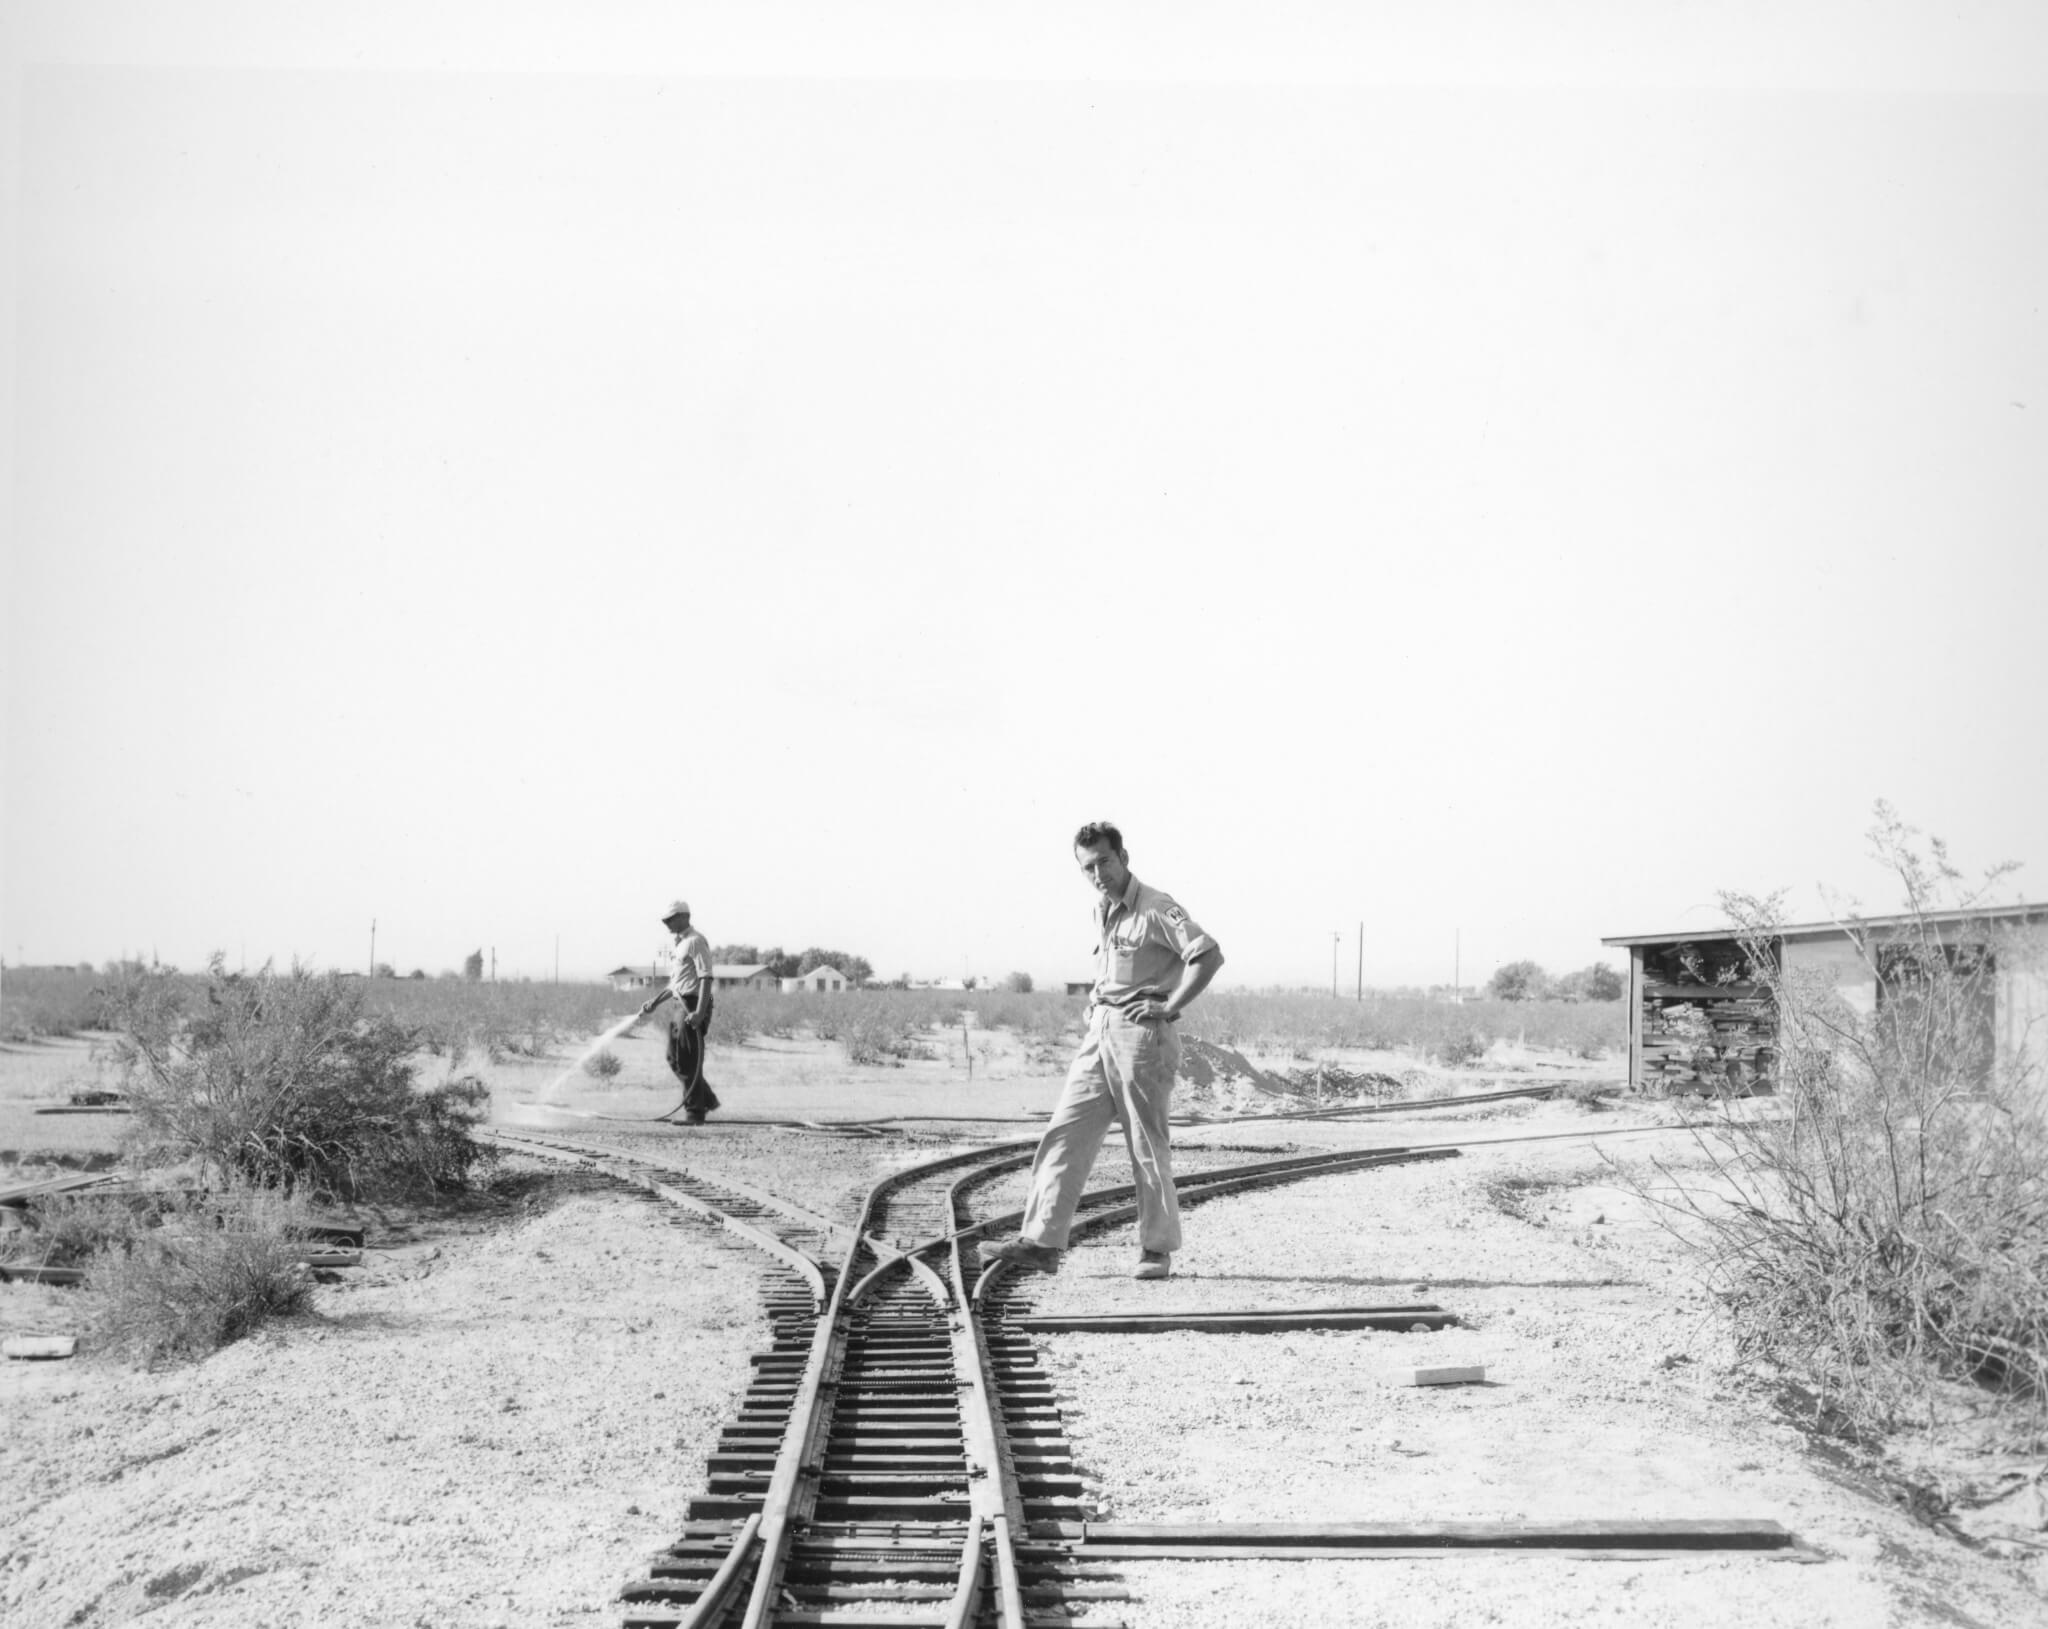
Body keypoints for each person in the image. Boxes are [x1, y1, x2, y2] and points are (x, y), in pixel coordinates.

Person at [987, 822, 1224, 1281]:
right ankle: (1041, 1243)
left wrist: (1169, 1008)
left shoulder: (1156, 907)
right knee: (1064, 1133)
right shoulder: (1103, 910)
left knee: (1146, 1144)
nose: (1098, 874)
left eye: (1105, 862)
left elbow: (1208, 955)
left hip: (1142, 1037)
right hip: (1100, 1033)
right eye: (1088, 867)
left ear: (1124, 858)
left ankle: (1156, 1250)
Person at [640, 900, 720, 1123]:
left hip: (693, 1004)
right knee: (673, 1057)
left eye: (670, 919)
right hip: (680, 1004)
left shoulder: (695, 941)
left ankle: (695, 1112)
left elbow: (706, 977)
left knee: (687, 1058)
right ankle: (707, 1099)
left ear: (684, 917)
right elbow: (675, 984)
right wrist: (655, 1002)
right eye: (665, 920)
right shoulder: (679, 945)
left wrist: (700, 1012)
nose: (666, 923)